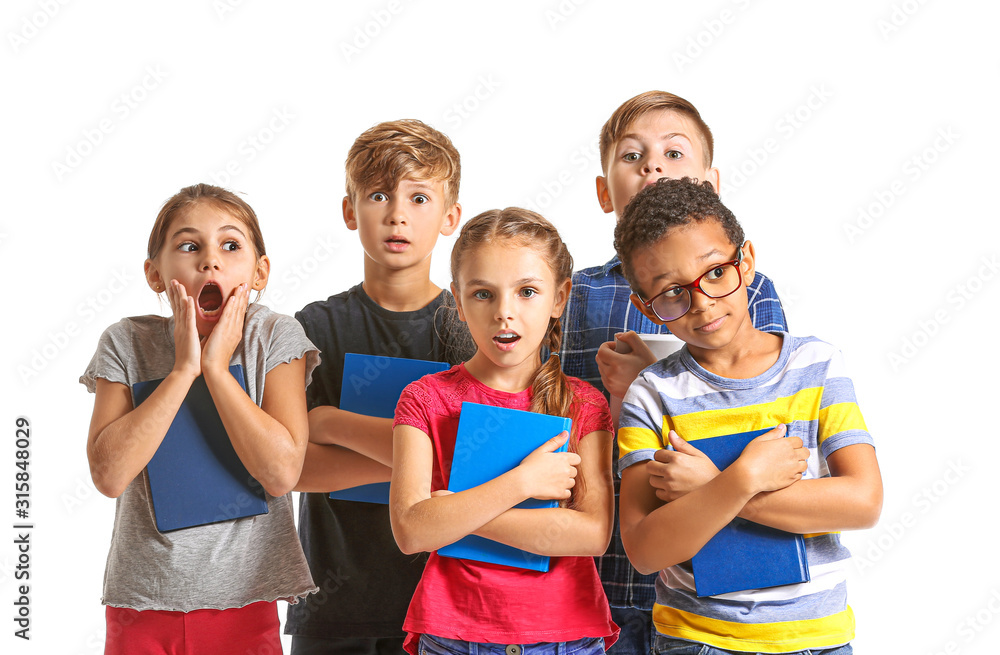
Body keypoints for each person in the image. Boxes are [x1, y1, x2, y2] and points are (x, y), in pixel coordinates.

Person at [559, 90, 788, 653]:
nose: (653, 166)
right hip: (598, 560)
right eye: (632, 156)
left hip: (712, 569)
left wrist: (650, 376)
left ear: (710, 184)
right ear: (603, 191)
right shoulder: (573, 292)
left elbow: (769, 407)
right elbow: (540, 408)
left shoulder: (744, 287)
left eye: (673, 152)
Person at [614, 178, 883, 654]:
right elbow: (643, 550)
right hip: (696, 641)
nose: (702, 302)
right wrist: (738, 481)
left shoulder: (816, 366)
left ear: (747, 260)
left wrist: (710, 484)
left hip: (817, 639)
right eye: (672, 292)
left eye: (716, 272)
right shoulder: (651, 395)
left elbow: (863, 502)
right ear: (646, 308)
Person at [81, 183, 319, 654]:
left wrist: (216, 369)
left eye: (231, 246)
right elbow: (108, 475)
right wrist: (183, 370)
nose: (210, 260)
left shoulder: (273, 336)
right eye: (189, 246)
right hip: (142, 603)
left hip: (246, 602)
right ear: (154, 273)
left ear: (259, 272)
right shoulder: (125, 342)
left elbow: (282, 472)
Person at [390, 207, 619, 654]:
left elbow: (592, 534)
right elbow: (412, 530)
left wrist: (458, 514)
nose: (504, 313)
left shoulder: (584, 404)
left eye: (527, 292)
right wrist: (522, 483)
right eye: (483, 294)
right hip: (454, 636)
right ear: (457, 300)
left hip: (565, 637)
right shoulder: (425, 398)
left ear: (559, 298)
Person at [287, 119, 474, 655]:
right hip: (331, 606)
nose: (397, 213)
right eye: (377, 195)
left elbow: (476, 466)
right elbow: (290, 467)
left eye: (419, 197)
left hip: (442, 606)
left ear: (449, 217)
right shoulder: (313, 329)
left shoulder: (469, 330)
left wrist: (334, 425)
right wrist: (421, 464)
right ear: (350, 210)